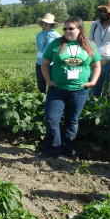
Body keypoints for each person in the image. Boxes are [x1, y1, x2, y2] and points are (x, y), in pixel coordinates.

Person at [41, 17, 101, 159]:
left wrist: (93, 81)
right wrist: (48, 81)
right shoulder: (56, 44)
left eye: (71, 28)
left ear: (79, 29)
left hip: (79, 91)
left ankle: (70, 150)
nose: (67, 31)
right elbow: (44, 63)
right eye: (65, 28)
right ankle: (53, 150)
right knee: (51, 120)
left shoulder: (89, 44)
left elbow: (96, 65)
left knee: (72, 120)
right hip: (57, 90)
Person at [35, 13, 61, 93]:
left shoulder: (56, 35)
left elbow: (59, 49)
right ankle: (42, 101)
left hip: (52, 64)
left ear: (51, 24)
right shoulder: (38, 35)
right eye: (43, 22)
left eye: (47, 22)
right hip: (39, 63)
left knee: (52, 84)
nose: (45, 24)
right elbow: (38, 47)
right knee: (41, 84)